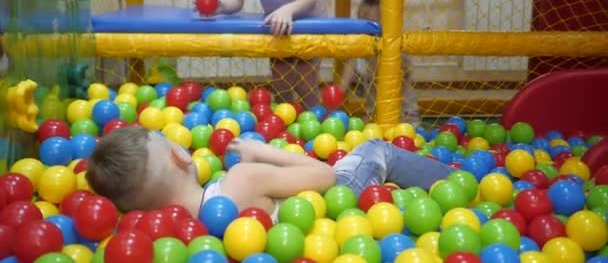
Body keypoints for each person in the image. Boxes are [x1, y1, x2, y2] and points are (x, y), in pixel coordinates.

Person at [86, 126, 455, 222]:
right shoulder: (240, 179)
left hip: (327, 215)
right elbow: (325, 176)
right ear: (181, 158)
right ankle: (449, 180)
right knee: (375, 149)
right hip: (343, 197)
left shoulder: (187, 233)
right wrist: (262, 151)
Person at [339, 0, 420, 126]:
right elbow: (342, 86)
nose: (365, 29)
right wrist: (335, 95)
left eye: (372, 24)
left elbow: (402, 70)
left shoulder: (397, 51)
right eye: (361, 22)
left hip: (405, 116)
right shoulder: (357, 55)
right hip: (373, 115)